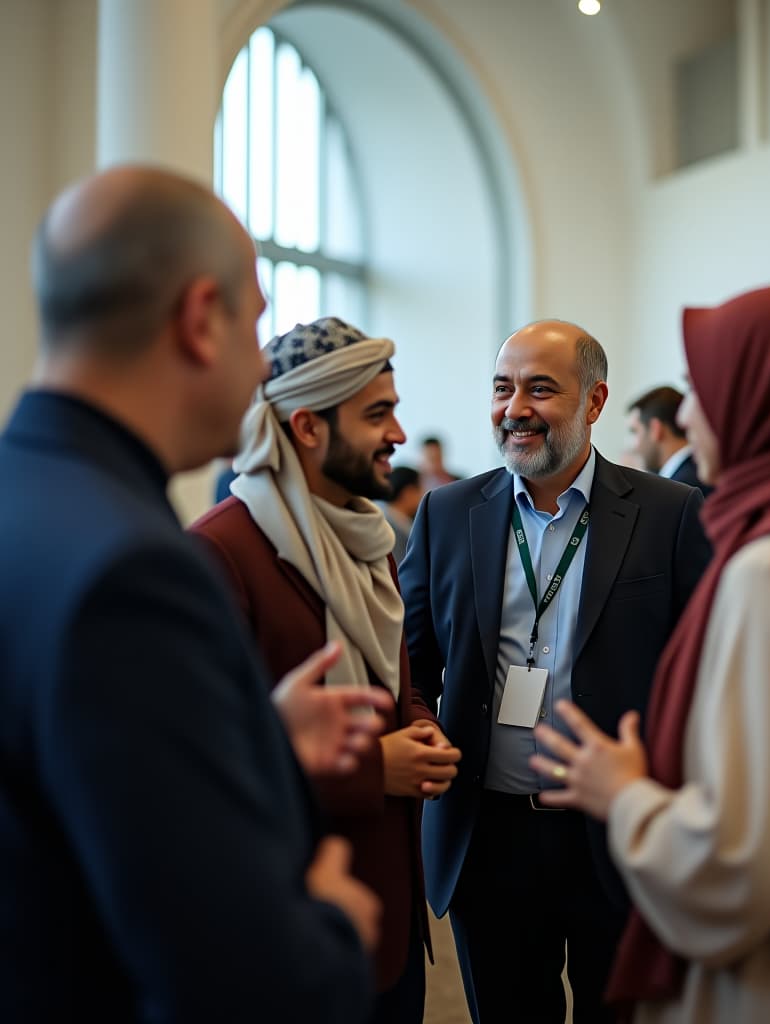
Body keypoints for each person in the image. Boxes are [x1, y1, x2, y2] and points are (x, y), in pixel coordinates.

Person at [0, 166, 394, 1022]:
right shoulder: (135, 571)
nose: (260, 367)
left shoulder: (26, 493)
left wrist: (255, 740)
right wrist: (330, 925)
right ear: (198, 319)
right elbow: (233, 978)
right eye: (255, 327)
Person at [532, 286, 770, 1023]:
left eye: (701, 391)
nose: (684, 417)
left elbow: (745, 861)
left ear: (764, 398)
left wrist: (623, 795)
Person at [399, 319, 711, 1023]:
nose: (516, 409)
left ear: (595, 403)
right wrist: (421, 729)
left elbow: (702, 676)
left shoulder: (669, 513)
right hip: (491, 837)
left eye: (541, 389)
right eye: (503, 388)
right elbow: (409, 662)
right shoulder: (448, 513)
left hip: (615, 835)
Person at [190, 317, 461, 1023]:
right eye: (378, 414)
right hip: (292, 925)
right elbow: (205, 766)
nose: (399, 436)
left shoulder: (367, 540)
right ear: (307, 427)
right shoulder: (219, 554)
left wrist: (422, 729)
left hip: (390, 921)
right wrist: (375, 768)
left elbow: (391, 684)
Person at [627, 385, 712, 496]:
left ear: (655, 429)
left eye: (635, 432)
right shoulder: (696, 473)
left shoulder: (680, 489)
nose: (633, 447)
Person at [380, 465, 425, 564]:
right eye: (421, 489)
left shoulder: (400, 521)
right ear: (408, 493)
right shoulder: (387, 528)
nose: (423, 494)